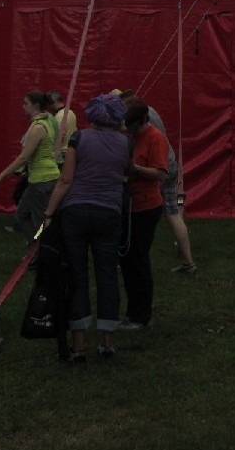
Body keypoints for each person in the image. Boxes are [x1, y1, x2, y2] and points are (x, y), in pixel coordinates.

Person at [42, 92, 132, 361]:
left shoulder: (78, 139)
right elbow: (128, 173)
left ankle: (79, 344)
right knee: (107, 276)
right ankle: (107, 342)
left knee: (78, 276)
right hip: (109, 213)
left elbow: (66, 180)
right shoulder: (126, 144)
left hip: (76, 212)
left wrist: (49, 213)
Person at [114, 87, 196, 274]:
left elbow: (157, 161)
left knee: (170, 212)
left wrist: (137, 168)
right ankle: (187, 262)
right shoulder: (150, 112)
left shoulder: (147, 127)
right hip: (169, 163)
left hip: (163, 167)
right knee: (173, 212)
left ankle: (183, 261)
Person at [119, 95, 170, 331]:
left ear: (141, 121)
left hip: (146, 207)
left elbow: (161, 173)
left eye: (129, 125)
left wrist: (135, 169)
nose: (126, 129)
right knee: (127, 259)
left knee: (138, 260)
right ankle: (133, 310)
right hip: (129, 205)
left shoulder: (154, 138)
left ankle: (142, 314)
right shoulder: (130, 136)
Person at [0, 90, 59, 242]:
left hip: (43, 179)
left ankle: (42, 251)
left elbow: (23, 157)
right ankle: (36, 247)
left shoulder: (38, 127)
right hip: (40, 178)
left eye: (26, 103)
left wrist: (1, 176)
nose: (23, 107)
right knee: (22, 214)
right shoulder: (46, 121)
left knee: (39, 221)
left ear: (35, 105)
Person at [47, 89, 78, 167]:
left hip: (63, 153)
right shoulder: (71, 112)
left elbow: (60, 137)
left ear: (53, 101)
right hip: (71, 151)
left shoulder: (59, 117)